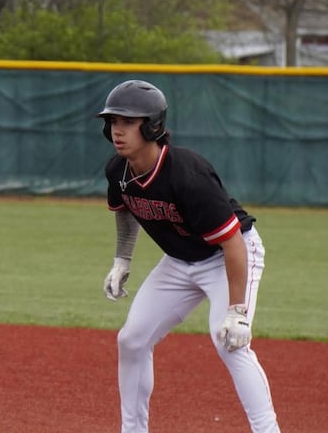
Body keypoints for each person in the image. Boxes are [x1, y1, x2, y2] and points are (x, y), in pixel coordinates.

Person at [96, 79, 280, 433]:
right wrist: (123, 260)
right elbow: (124, 208)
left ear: (152, 126)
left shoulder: (187, 174)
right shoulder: (117, 170)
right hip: (181, 262)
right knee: (131, 339)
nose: (117, 130)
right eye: (113, 122)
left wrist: (238, 312)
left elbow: (233, 245)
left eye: (128, 122)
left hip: (230, 254)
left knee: (229, 342)